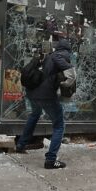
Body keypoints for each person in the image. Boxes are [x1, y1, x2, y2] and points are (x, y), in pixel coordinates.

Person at [16, 39, 76, 169]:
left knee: (35, 114)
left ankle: (21, 145)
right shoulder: (60, 56)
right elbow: (71, 74)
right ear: (67, 50)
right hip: (45, 95)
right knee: (59, 125)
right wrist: (65, 84)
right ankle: (51, 160)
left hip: (32, 93)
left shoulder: (48, 56)